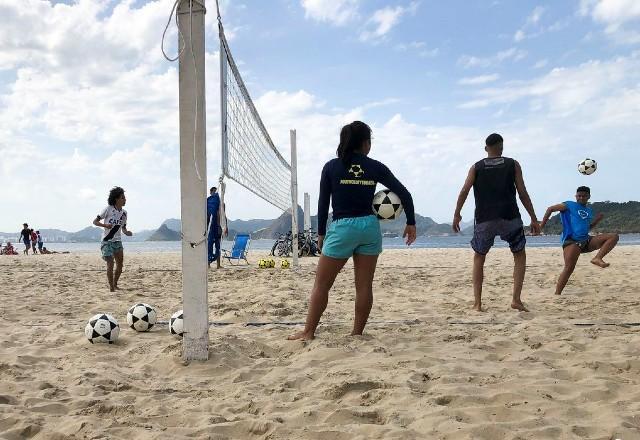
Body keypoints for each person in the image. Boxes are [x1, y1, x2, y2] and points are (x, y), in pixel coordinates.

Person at [288, 121, 417, 341]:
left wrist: (320, 233)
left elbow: (323, 202)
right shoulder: (376, 166)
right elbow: (404, 193)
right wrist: (411, 222)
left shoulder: (331, 166)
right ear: (365, 143)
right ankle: (357, 333)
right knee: (364, 285)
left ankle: (309, 332)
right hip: (369, 226)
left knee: (322, 284)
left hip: (343, 227)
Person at [452, 133, 540, 312]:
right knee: (519, 255)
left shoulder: (476, 167)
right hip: (510, 217)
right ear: (502, 147)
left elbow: (464, 191)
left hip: (485, 218)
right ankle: (516, 300)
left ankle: (477, 303)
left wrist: (457, 214)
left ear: (486, 148)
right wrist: (533, 217)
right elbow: (522, 192)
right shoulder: (512, 164)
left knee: (479, 257)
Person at [540, 186, 619, 295]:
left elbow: (587, 228)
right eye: (579, 196)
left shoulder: (589, 210)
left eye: (584, 196)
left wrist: (596, 221)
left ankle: (597, 258)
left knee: (613, 236)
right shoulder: (569, 205)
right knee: (569, 268)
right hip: (571, 241)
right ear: (576, 196)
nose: (581, 198)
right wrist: (541, 226)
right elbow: (550, 209)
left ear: (589, 197)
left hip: (586, 240)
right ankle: (557, 294)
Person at [93, 187, 133, 292]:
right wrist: (105, 225)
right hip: (106, 241)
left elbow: (123, 228)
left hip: (117, 241)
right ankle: (111, 287)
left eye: (125, 198)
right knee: (110, 263)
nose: (125, 200)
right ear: (116, 199)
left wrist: (127, 233)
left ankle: (115, 284)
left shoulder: (124, 213)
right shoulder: (108, 209)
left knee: (120, 264)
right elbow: (95, 222)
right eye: (122, 198)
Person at [206, 186, 224, 268]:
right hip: (213, 228)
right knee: (212, 246)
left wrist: (225, 227)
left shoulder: (221, 204)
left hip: (215, 228)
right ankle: (211, 264)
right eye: (214, 192)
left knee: (215, 246)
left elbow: (223, 216)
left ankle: (216, 264)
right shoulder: (209, 203)